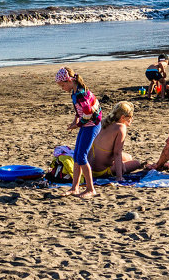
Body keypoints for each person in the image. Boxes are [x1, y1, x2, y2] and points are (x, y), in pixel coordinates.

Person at [55, 66, 102, 199]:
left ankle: (90, 189)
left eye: (62, 85)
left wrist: (78, 125)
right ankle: (75, 188)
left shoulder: (81, 94)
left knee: (82, 157)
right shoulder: (75, 93)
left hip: (92, 125)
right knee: (76, 155)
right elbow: (78, 111)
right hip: (86, 124)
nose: (62, 88)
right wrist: (74, 121)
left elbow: (88, 113)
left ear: (69, 81)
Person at [89, 102, 147, 181]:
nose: (132, 119)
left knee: (129, 157)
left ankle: (119, 166)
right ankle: (119, 169)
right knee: (136, 163)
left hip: (89, 166)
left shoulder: (104, 122)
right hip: (100, 171)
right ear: (123, 117)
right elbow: (117, 153)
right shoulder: (121, 127)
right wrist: (119, 176)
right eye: (130, 117)